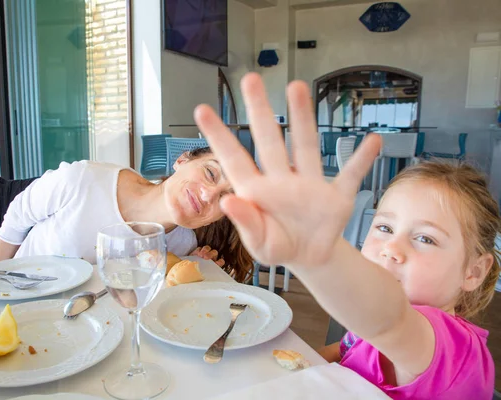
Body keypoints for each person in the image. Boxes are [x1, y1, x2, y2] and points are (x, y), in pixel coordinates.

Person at [194, 72, 497, 399]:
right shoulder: (368, 327)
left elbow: (389, 321)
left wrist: (318, 259)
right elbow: (346, 351)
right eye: (384, 228)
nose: (392, 248)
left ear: (474, 271)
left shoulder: (454, 351)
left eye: (425, 238)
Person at [0, 147, 252, 282]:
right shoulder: (81, 180)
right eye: (210, 173)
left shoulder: (182, 246)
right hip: (20, 298)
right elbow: (15, 220)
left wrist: (186, 274)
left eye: (224, 198)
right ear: (182, 161)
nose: (208, 195)